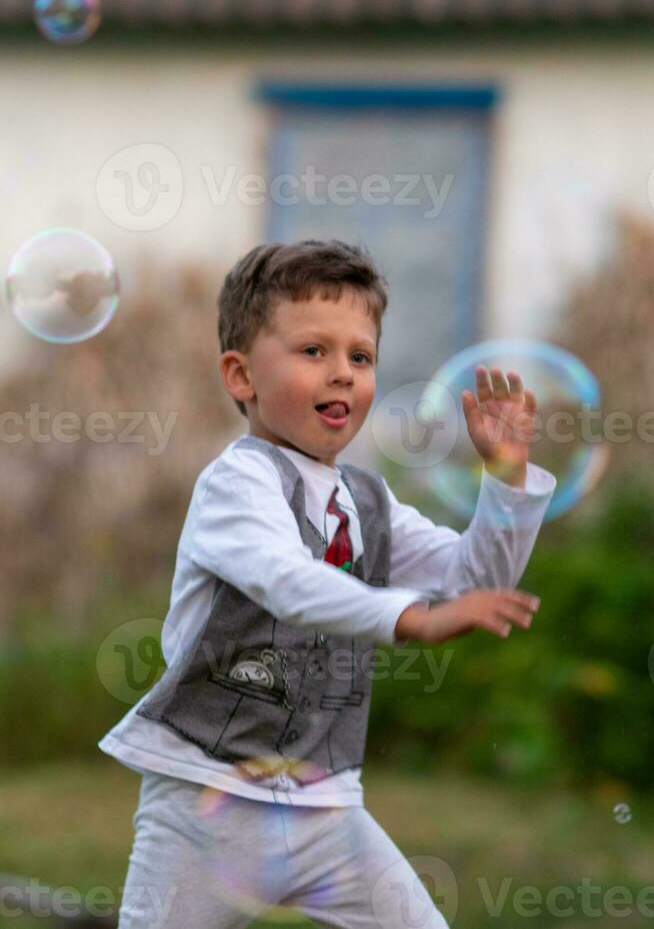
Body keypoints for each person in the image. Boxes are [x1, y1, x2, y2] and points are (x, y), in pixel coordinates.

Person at [99, 239, 556, 928]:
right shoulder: (237, 482)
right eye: (313, 351)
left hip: (326, 808)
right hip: (203, 798)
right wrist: (410, 618)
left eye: (360, 357)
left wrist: (506, 479)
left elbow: (474, 577)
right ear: (240, 374)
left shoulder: (368, 501)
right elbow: (287, 581)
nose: (342, 373)